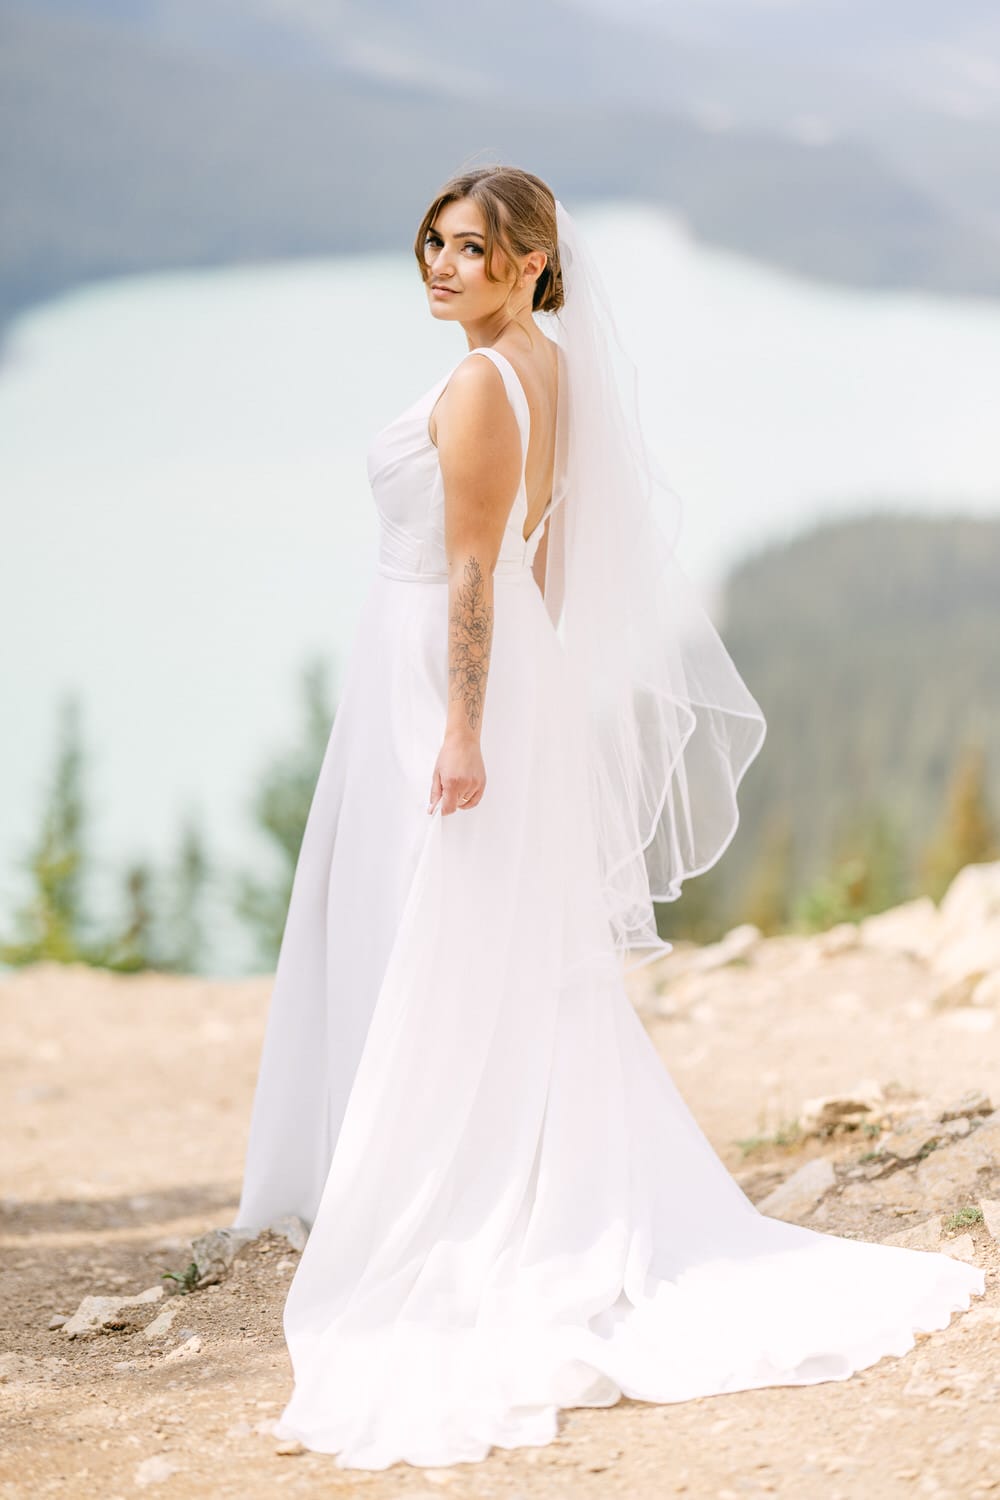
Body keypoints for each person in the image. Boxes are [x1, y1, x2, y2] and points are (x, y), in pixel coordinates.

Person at [233, 166, 985, 1471]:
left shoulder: (479, 383)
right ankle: (496, 1160)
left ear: (528, 261)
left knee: (437, 921)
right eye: (430, 244)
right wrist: (527, 689)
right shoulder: (549, 367)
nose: (439, 265)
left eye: (469, 249)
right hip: (500, 664)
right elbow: (549, 560)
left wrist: (467, 724)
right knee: (487, 933)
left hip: (439, 672)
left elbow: (472, 565)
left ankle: (450, 1183)